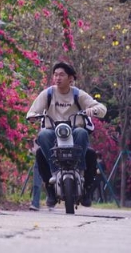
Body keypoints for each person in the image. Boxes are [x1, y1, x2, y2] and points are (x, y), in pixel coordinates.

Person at [26, 61, 106, 208]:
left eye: (62, 75)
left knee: (84, 138)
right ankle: (53, 178)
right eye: (55, 75)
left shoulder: (78, 94)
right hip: (53, 135)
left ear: (70, 78)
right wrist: (32, 116)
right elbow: (32, 111)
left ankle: (82, 177)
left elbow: (101, 108)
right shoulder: (48, 94)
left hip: (74, 135)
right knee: (42, 137)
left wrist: (93, 110)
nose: (58, 78)